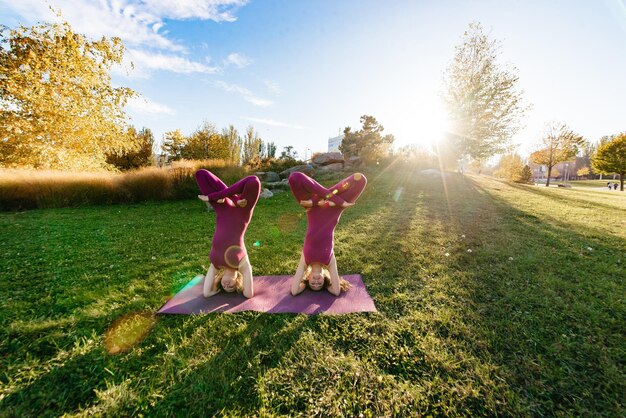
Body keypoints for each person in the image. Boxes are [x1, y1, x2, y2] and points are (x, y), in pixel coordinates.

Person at [288, 171, 367, 296]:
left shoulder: (305, 261)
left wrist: (314, 203)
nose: (316, 282)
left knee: (294, 178)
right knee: (360, 179)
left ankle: (325, 196)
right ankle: (327, 196)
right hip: (334, 208)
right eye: (319, 284)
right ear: (325, 279)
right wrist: (336, 202)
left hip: (312, 207)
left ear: (307, 278)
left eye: (312, 284)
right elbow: (336, 291)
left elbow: (294, 290)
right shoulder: (329, 261)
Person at [195, 170, 261, 298]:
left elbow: (207, 293)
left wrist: (216, 198)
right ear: (238, 280)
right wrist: (218, 198)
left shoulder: (216, 264)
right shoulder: (242, 264)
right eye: (232, 287)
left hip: (223, 208)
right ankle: (233, 198)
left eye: (224, 287)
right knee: (254, 181)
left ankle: (229, 198)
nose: (227, 286)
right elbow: (248, 294)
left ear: (219, 279)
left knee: (200, 174)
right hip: (242, 211)